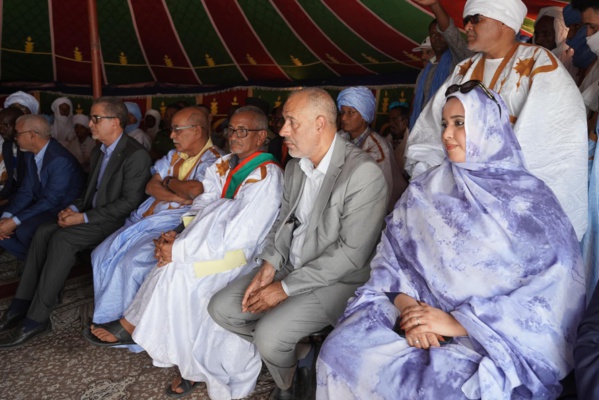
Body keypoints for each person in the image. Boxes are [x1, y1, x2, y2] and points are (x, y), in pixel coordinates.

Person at [317, 82, 586, 399]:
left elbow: (556, 290)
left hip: (490, 336)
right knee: (339, 350)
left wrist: (457, 323)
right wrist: (412, 314)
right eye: (445, 123)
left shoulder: (530, 200)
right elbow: (392, 261)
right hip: (416, 313)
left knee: (448, 386)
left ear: (489, 127)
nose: (446, 134)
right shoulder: (426, 189)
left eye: (460, 123)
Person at [84, 106, 283, 400]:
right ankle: (183, 359)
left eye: (243, 131)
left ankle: (173, 352)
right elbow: (203, 205)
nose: (234, 136)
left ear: (261, 136)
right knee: (169, 267)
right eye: (231, 130)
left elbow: (239, 235)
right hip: (204, 244)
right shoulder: (225, 165)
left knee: (181, 274)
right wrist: (179, 232)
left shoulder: (266, 176)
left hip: (238, 256)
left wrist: (180, 250)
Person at [208, 88, 388, 400]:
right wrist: (269, 267)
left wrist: (284, 289)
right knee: (221, 308)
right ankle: (300, 354)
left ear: (320, 124)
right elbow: (283, 223)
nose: (282, 131)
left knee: (269, 336)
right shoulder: (296, 165)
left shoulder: (362, 173)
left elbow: (350, 256)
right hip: (291, 264)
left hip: (339, 280)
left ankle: (285, 383)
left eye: (292, 122)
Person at [406, 0, 588, 241]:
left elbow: (553, 144)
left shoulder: (540, 64)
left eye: (476, 19)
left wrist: (494, 191)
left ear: (504, 21)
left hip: (512, 215)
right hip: (457, 206)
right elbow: (430, 134)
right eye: (466, 20)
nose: (468, 26)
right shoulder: (463, 70)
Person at [0, 97, 152, 349]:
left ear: (115, 122)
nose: (90, 124)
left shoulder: (135, 155)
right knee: (43, 230)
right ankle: (21, 303)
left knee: (63, 238)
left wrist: (82, 217)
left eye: (96, 118)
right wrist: (71, 208)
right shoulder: (98, 151)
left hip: (116, 222)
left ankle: (37, 319)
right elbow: (88, 192)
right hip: (93, 215)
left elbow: (128, 203)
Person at [89, 107, 223, 327]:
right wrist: (176, 194)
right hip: (147, 218)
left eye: (178, 130)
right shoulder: (173, 155)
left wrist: (168, 182)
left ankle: (132, 327)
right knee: (100, 254)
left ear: (197, 131)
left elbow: (195, 190)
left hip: (173, 223)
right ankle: (108, 315)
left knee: (134, 263)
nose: (172, 136)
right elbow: (152, 187)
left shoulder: (215, 159)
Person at [0, 115, 84, 260]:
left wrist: (14, 221)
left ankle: (50, 262)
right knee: (3, 226)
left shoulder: (59, 159)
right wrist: (7, 217)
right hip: (42, 203)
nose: (16, 138)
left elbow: (52, 200)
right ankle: (39, 261)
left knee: (23, 230)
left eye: (18, 134)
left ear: (32, 135)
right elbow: (26, 191)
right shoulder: (30, 154)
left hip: (62, 208)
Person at [408, 0, 473, 129]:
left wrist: (435, 5)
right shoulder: (424, 72)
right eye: (433, 34)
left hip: (446, 130)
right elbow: (416, 104)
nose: (436, 37)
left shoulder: (458, 61)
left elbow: (451, 33)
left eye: (440, 34)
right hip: (422, 131)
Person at [337, 86, 404, 209]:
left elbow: (383, 192)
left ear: (364, 116)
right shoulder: (339, 138)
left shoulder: (379, 149)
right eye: (342, 112)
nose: (343, 118)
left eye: (350, 112)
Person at [533, 7, 575, 78]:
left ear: (561, 34)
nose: (537, 40)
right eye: (536, 34)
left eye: (547, 34)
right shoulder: (530, 62)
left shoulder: (574, 65)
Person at [0, 107, 26, 206]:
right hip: (14, 194)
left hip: (29, 198)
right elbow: (11, 182)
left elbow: (29, 187)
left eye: (6, 125)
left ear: (19, 126)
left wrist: (6, 201)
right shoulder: (7, 145)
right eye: (0, 125)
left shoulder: (28, 150)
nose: (1, 130)